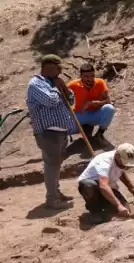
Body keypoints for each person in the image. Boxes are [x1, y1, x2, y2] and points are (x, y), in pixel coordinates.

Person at [26, 54, 78, 210]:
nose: (61, 71)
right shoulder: (36, 84)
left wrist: (64, 87)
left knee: (56, 164)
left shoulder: (54, 82)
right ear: (49, 67)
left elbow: (71, 101)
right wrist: (57, 87)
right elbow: (51, 101)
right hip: (48, 133)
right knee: (52, 164)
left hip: (61, 132)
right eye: (58, 68)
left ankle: (56, 192)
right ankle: (52, 199)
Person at [77, 143, 134, 223]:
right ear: (117, 155)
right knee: (89, 186)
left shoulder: (120, 160)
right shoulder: (104, 162)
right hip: (92, 187)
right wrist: (118, 205)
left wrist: (130, 186)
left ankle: (105, 209)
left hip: (108, 188)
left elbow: (121, 171)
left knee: (126, 211)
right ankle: (95, 211)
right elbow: (103, 186)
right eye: (124, 163)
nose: (126, 166)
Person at [67, 63, 116, 143]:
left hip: (95, 114)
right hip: (80, 114)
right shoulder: (73, 85)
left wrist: (92, 103)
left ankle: (99, 134)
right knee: (65, 128)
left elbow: (108, 101)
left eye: (92, 76)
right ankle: (85, 128)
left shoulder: (100, 82)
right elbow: (62, 96)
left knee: (110, 108)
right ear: (81, 76)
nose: (90, 79)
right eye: (86, 76)